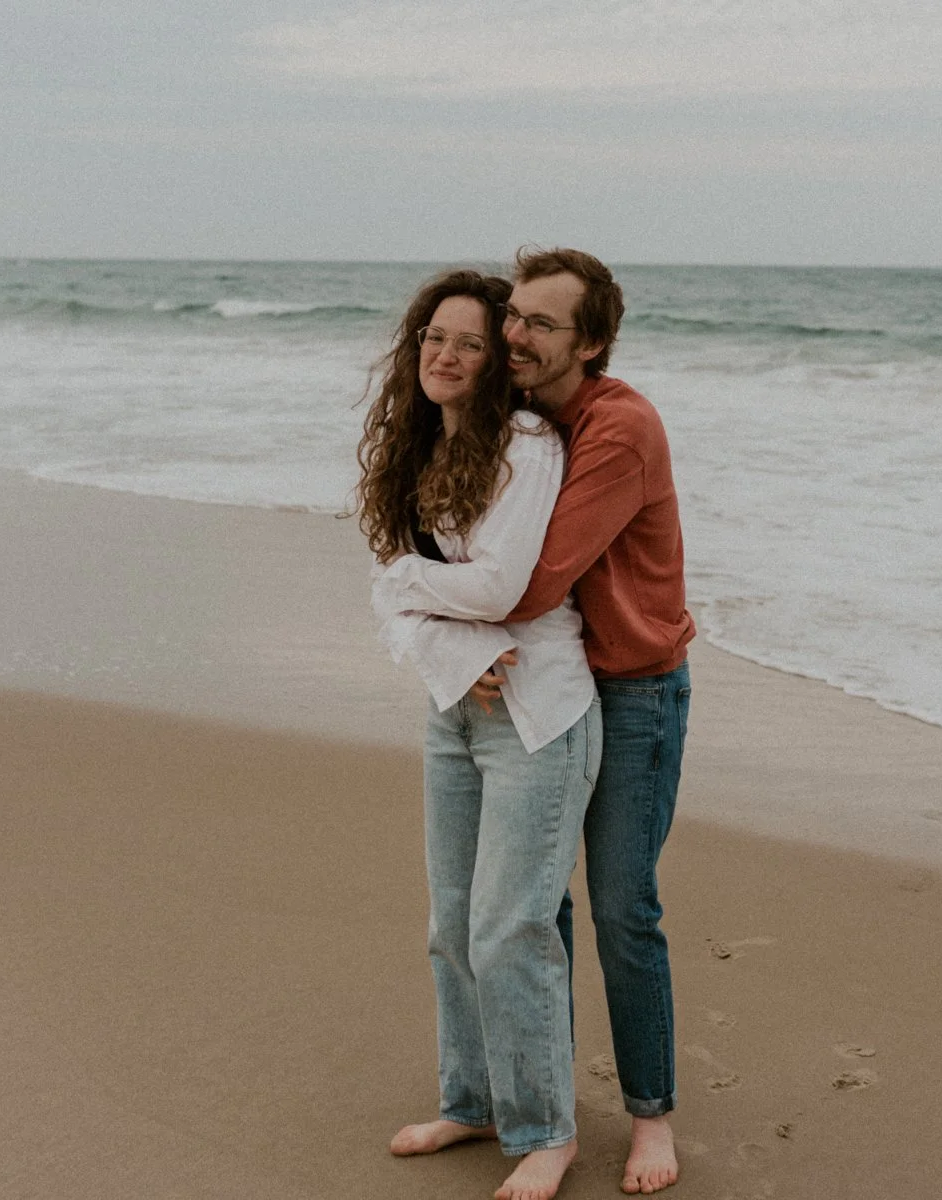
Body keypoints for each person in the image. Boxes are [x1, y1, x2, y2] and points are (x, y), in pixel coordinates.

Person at [388, 248, 696, 1196]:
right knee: (522, 916)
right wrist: (445, 632)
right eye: (511, 317)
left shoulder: (614, 429)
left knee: (618, 909)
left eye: (540, 325)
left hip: (630, 687)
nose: (514, 336)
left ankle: (651, 1119)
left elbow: (529, 585)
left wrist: (414, 595)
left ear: (591, 344)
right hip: (543, 680)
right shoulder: (516, 420)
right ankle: (511, 1100)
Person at [359, 268, 600, 1200]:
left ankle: (547, 1130)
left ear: (497, 359)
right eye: (433, 337)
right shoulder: (418, 454)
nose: (445, 355)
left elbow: (499, 590)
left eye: (467, 341)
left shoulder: (526, 445)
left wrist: (408, 590)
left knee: (511, 929)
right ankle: (473, 1101)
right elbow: (394, 600)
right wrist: (427, 617)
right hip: (454, 710)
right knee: (450, 927)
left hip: (538, 717)